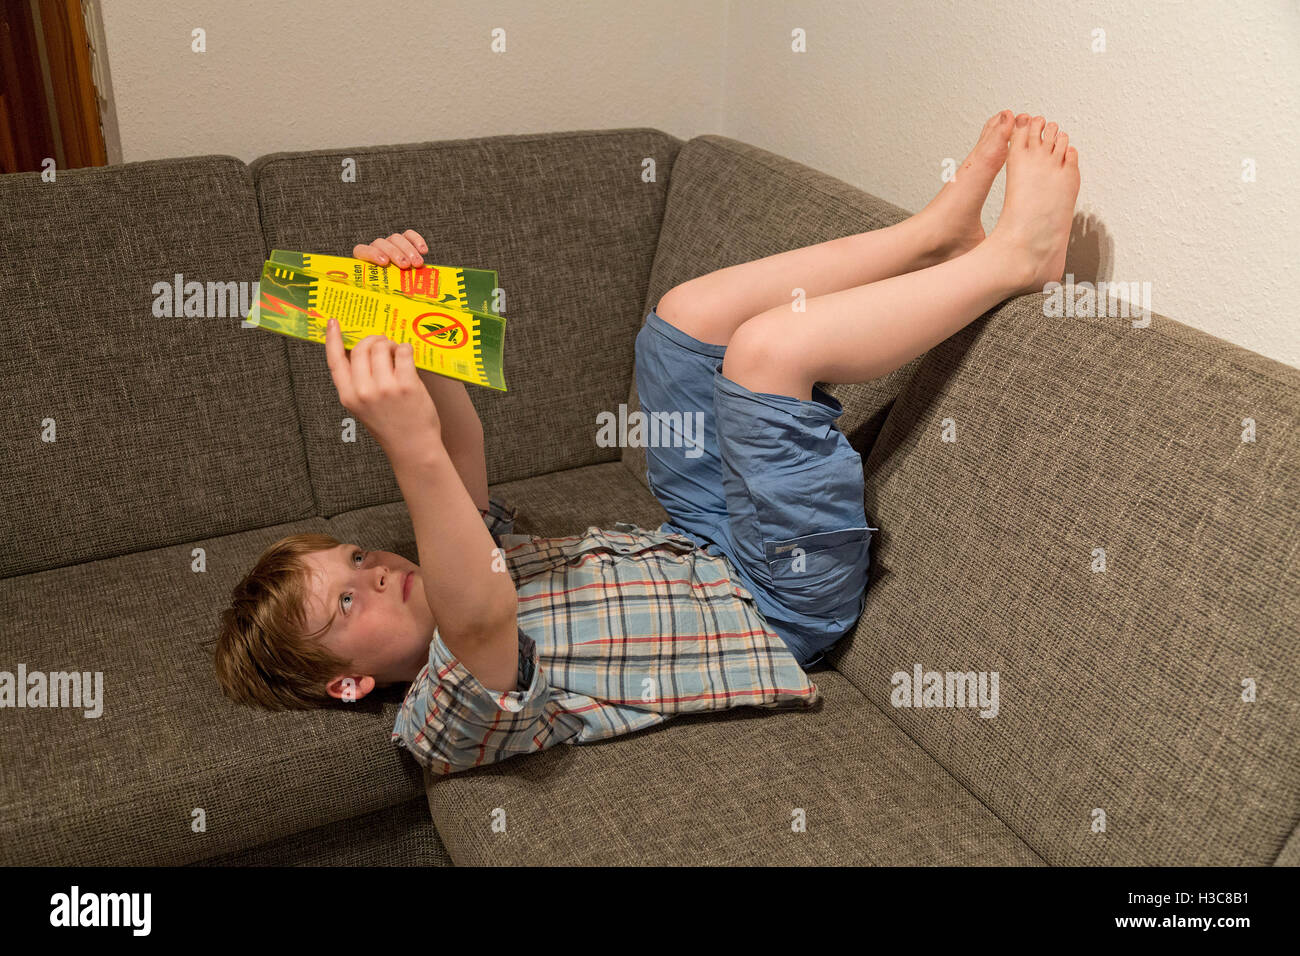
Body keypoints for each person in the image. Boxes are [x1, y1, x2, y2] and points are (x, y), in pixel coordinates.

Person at [213, 111, 1079, 774]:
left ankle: (933, 236)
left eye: (357, 559)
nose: (374, 573)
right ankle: (1014, 259)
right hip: (775, 602)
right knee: (768, 353)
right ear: (348, 684)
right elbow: (479, 610)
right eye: (348, 604)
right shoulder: (442, 714)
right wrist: (406, 448)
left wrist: (412, 322)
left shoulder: (462, 561)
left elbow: (463, 441)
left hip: (701, 538)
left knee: (682, 323)